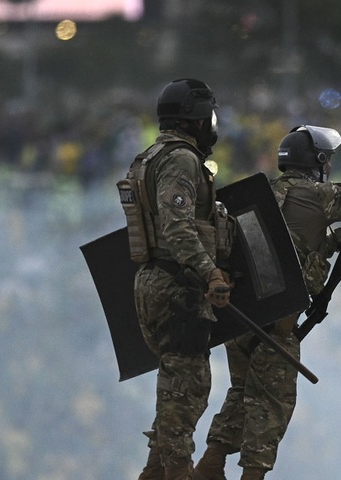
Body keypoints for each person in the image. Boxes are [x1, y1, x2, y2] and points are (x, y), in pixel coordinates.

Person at [192, 126, 341, 480]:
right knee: (272, 402)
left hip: (242, 318)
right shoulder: (317, 194)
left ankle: (210, 463)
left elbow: (296, 249)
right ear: (316, 161)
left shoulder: (263, 194)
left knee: (241, 390)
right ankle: (250, 475)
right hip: (278, 322)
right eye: (327, 159)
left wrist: (340, 240)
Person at [129, 78, 233, 480]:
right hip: (178, 287)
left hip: (153, 280)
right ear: (195, 120)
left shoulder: (148, 156)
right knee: (185, 395)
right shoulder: (181, 159)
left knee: (175, 393)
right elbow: (176, 227)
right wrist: (211, 272)